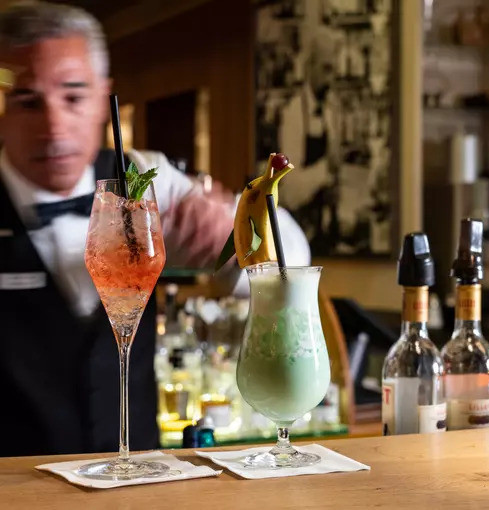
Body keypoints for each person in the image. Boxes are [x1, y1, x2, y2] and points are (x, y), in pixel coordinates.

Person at [0, 1, 310, 457]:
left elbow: (291, 259)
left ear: (102, 97)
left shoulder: (145, 178)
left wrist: (233, 236)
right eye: (28, 101)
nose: (54, 125)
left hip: (141, 476)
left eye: (74, 97)